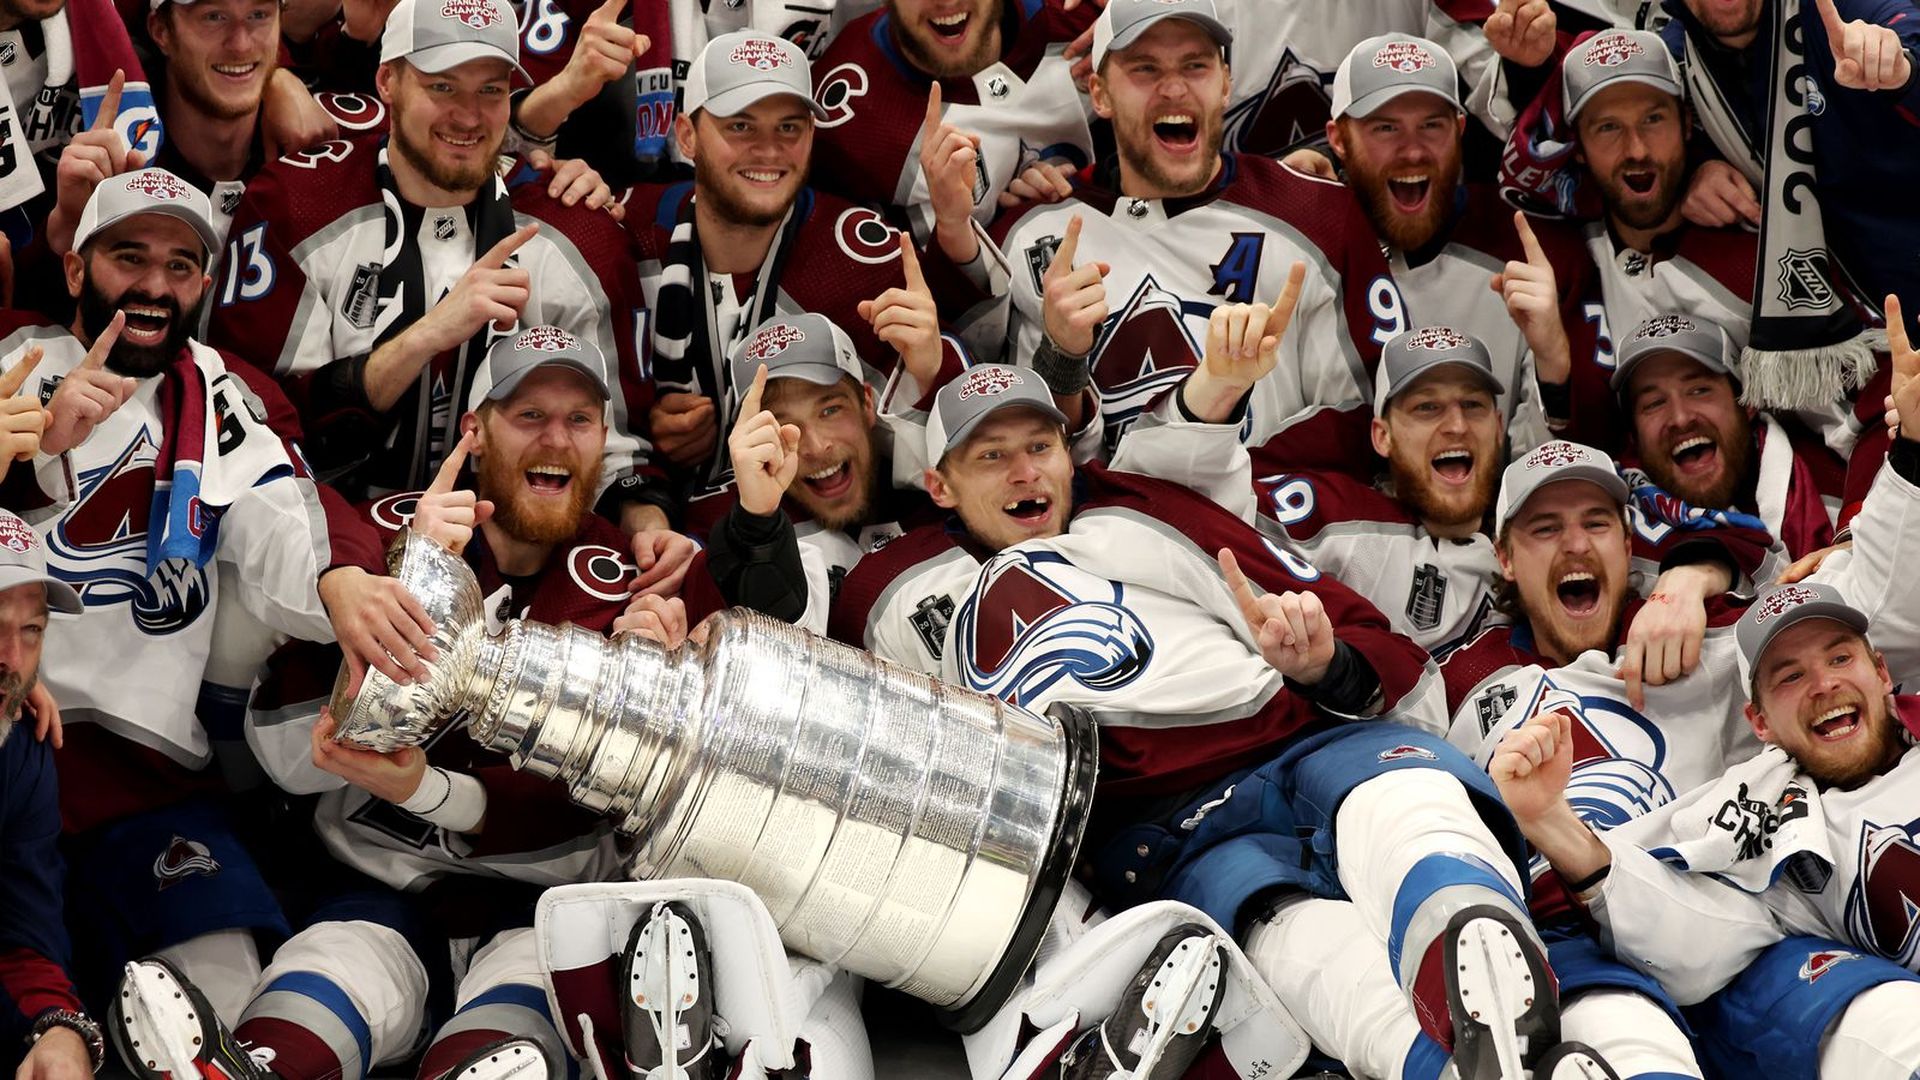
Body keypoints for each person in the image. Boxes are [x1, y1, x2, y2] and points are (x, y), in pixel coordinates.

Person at [832, 292, 1615, 1075]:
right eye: (991, 457)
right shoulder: (891, 597)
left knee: (1406, 799)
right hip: (1170, 829)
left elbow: (1381, 648)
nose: (1024, 472)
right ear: (940, 486)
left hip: (1303, 737)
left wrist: (1322, 664)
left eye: (1040, 445)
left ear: (1071, 454)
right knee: (1288, 937)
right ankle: (1454, 1068)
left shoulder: (1141, 510)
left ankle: (1480, 968)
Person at [127, 327, 673, 1080]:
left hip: (547, 905)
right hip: (371, 884)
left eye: (580, 420)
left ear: (604, 438)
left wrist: (430, 787)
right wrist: (409, 589)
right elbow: (287, 748)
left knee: (516, 1024)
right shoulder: (379, 535)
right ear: (476, 431)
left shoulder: (644, 583)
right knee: (322, 982)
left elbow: (622, 806)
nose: (557, 438)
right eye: (529, 416)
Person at [0, 169, 426, 1019]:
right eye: (130, 257)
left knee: (219, 1004)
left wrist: (339, 577)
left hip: (144, 783)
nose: (156, 286)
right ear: (78, 270)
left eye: (181, 265)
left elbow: (280, 509)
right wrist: (19, 467)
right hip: (10, 753)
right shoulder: (12, 360)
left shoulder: (219, 390)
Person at [204, 0, 661, 546]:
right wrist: (429, 335)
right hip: (326, 552)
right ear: (387, 81)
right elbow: (255, 436)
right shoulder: (293, 208)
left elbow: (617, 460)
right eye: (442, 87)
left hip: (512, 558)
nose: (468, 116)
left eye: (490, 90)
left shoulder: (578, 233)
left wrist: (651, 533)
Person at [975, 0, 1395, 458]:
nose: (1173, 88)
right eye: (1145, 68)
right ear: (1100, 95)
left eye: (1195, 65)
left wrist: (1225, 498)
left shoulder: (1318, 213)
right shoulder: (1032, 231)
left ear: (1226, 85)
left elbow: (1369, 419)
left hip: (1267, 523)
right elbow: (1024, 461)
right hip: (1102, 526)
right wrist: (1061, 358)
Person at [630, 31, 968, 533]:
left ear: (812, 133)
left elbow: (947, 431)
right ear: (686, 136)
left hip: (821, 536)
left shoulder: (862, 257)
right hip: (675, 531)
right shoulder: (634, 227)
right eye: (740, 125)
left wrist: (930, 373)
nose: (768, 149)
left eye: (789, 126)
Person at [1321, 32, 1559, 452]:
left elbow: (1540, 458)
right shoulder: (1300, 240)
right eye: (1386, 128)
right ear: (1339, 139)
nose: (1412, 151)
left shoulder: (1516, 242)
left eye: (1431, 125)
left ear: (1460, 129)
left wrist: (1555, 361)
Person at [690, 312, 939, 634]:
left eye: (830, 410)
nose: (816, 445)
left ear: (866, 403)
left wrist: (933, 373)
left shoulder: (938, 476)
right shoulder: (721, 522)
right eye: (782, 424)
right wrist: (756, 522)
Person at [805, 0, 1099, 240]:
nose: (946, 1)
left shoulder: (1073, 14)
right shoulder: (843, 124)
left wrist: (1140, 16)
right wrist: (1007, 226)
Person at [1613, 313, 1849, 564]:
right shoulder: (1612, 531)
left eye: (1699, 390)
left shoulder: (1837, 487)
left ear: (1746, 404)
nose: (1680, 418)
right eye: (1654, 403)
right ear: (1634, 437)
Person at [0, 509, 100, 1080]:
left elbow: (22, 932)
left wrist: (59, 1028)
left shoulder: (23, 748)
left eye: (30, 631)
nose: (11, 660)